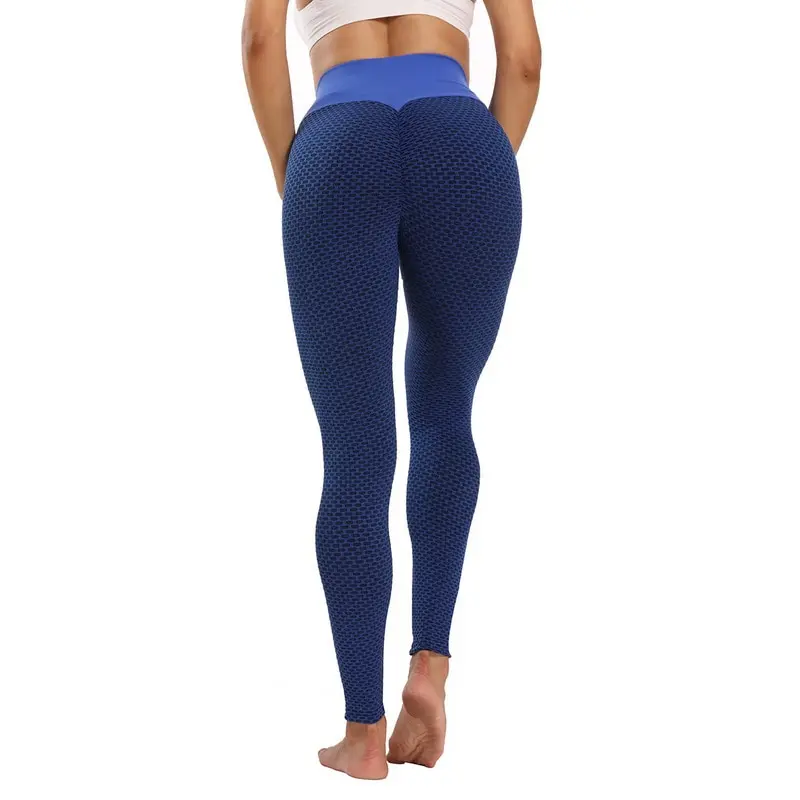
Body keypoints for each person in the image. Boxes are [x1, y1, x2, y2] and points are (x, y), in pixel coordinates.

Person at [242, 0, 541, 780]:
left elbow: (262, 41)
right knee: (446, 415)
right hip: (460, 138)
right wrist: (478, 170)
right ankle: (430, 665)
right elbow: (522, 59)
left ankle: (363, 732)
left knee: (355, 451)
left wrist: (289, 171)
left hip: (341, 139)